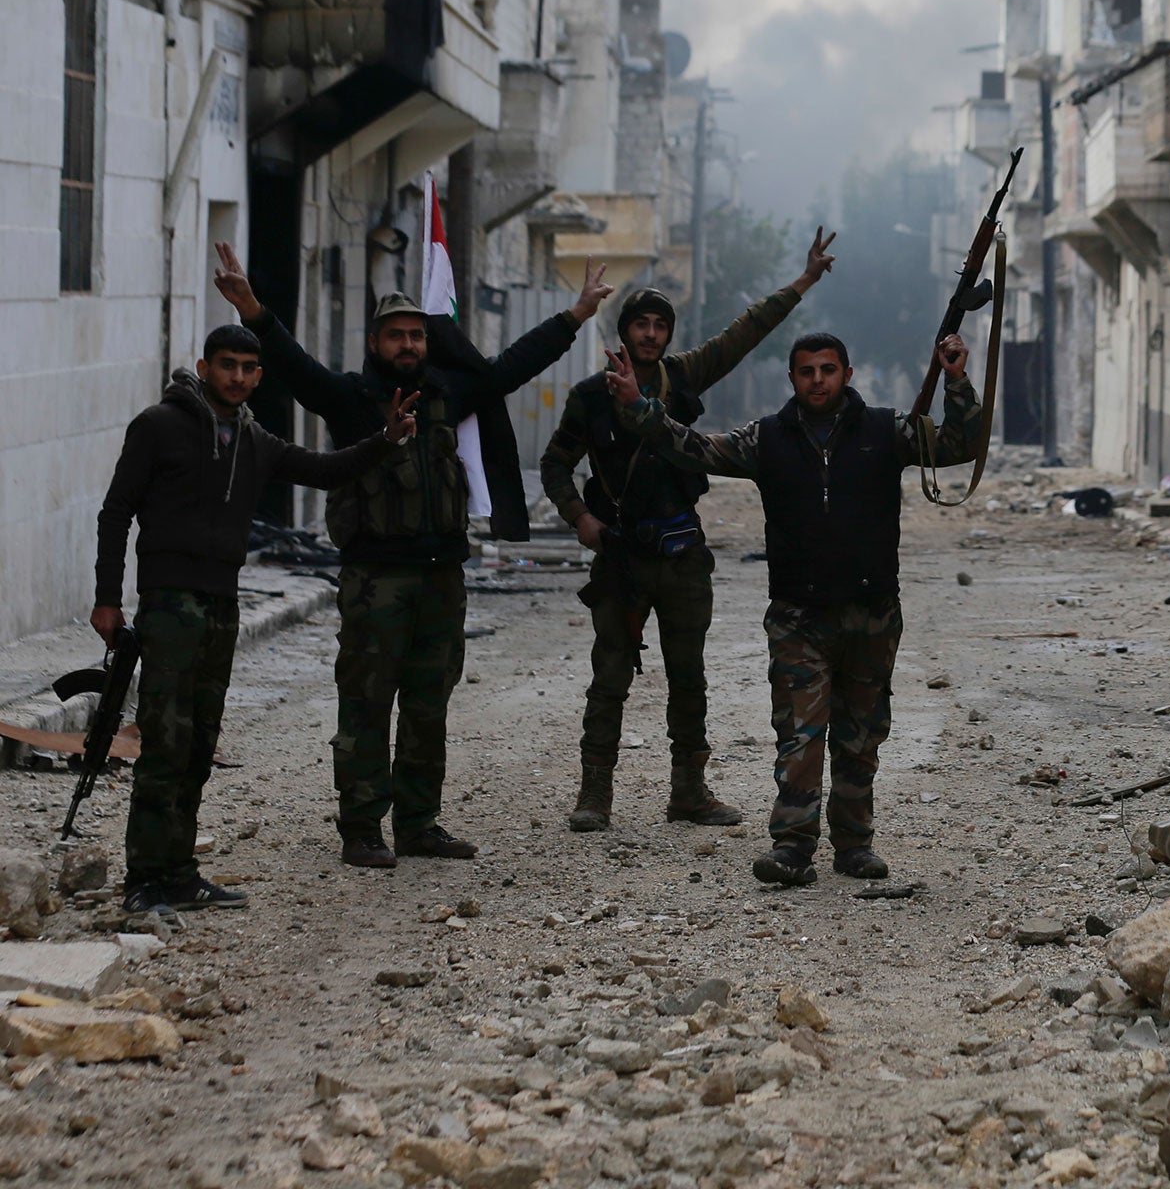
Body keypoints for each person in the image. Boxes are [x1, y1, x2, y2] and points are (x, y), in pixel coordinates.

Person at [212, 243, 614, 867]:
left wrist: (577, 315)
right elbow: (294, 367)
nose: (408, 345)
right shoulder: (350, 401)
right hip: (376, 578)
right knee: (367, 704)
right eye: (396, 336)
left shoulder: (447, 396)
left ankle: (420, 822)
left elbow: (514, 364)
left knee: (429, 703)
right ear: (375, 343)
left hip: (440, 577)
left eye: (416, 336)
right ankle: (362, 828)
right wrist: (254, 310)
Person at [606, 329, 982, 886]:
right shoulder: (768, 439)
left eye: (828, 370)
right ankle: (792, 846)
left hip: (871, 610)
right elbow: (695, 447)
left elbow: (958, 446)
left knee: (860, 735)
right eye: (807, 372)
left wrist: (955, 379)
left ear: (847, 374)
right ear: (793, 379)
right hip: (798, 616)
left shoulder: (888, 430)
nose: (818, 381)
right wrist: (642, 409)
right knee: (800, 735)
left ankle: (854, 845)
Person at [93, 325, 417, 914]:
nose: (237, 377)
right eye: (227, 366)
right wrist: (108, 597)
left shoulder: (252, 438)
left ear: (258, 377)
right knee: (165, 742)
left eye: (247, 367)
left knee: (199, 743)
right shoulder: (158, 426)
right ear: (205, 366)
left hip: (222, 605)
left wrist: (385, 439)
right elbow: (116, 512)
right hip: (169, 603)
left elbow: (323, 469)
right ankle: (144, 880)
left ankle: (181, 873)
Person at [541, 228, 839, 832]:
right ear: (623, 331)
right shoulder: (591, 397)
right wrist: (583, 520)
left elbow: (745, 331)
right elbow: (554, 464)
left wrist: (803, 283)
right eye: (640, 325)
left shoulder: (685, 376)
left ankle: (689, 793)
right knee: (609, 678)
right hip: (621, 557)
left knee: (689, 676)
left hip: (681, 554)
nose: (650, 335)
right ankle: (594, 795)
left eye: (660, 326)